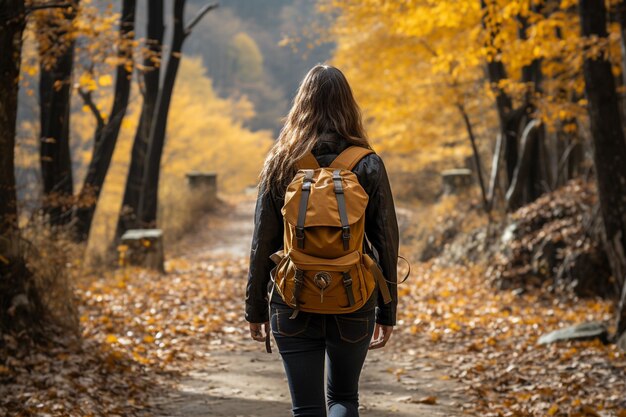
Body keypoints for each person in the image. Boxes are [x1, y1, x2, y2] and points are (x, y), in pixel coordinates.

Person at [245, 64, 399, 417]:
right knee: (344, 398)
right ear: (349, 106)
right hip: (355, 296)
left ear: (302, 105)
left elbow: (262, 242)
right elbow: (387, 242)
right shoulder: (368, 163)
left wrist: (255, 308)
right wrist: (387, 312)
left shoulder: (281, 162)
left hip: (292, 296)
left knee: (307, 408)